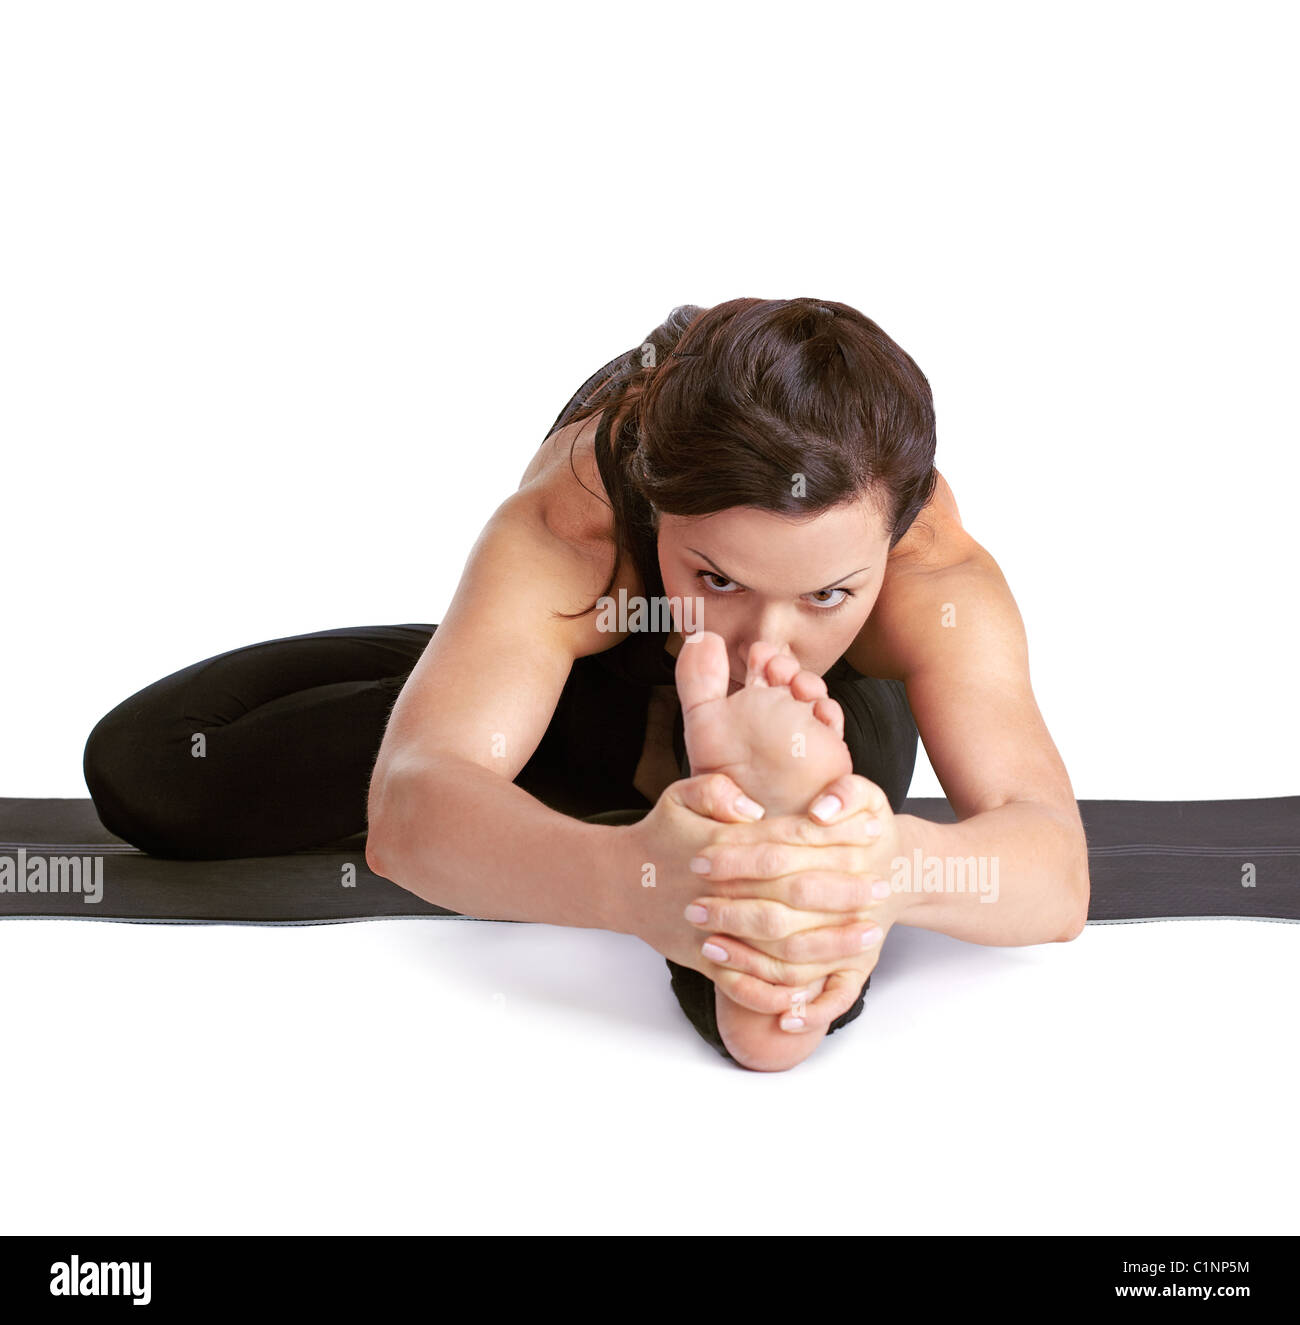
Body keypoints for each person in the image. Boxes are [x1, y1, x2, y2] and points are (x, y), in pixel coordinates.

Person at [83, 297, 1089, 1071]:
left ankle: (615, 730)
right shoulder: (576, 522)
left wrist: (886, 864)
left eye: (828, 592)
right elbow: (407, 813)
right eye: (718, 577)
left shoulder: (934, 572)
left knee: (773, 839)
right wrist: (634, 882)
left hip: (810, 725)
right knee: (156, 770)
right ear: (658, 514)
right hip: (605, 651)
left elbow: (1052, 866)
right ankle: (572, 707)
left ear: (892, 542)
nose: (761, 638)